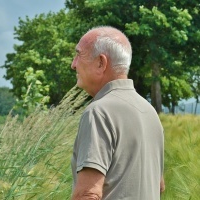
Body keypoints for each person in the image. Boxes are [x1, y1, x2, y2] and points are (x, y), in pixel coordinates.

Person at [70, 26, 165, 200]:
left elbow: (88, 194)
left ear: (101, 63)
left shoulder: (98, 112)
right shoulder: (150, 112)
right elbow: (159, 186)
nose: (73, 64)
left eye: (79, 55)